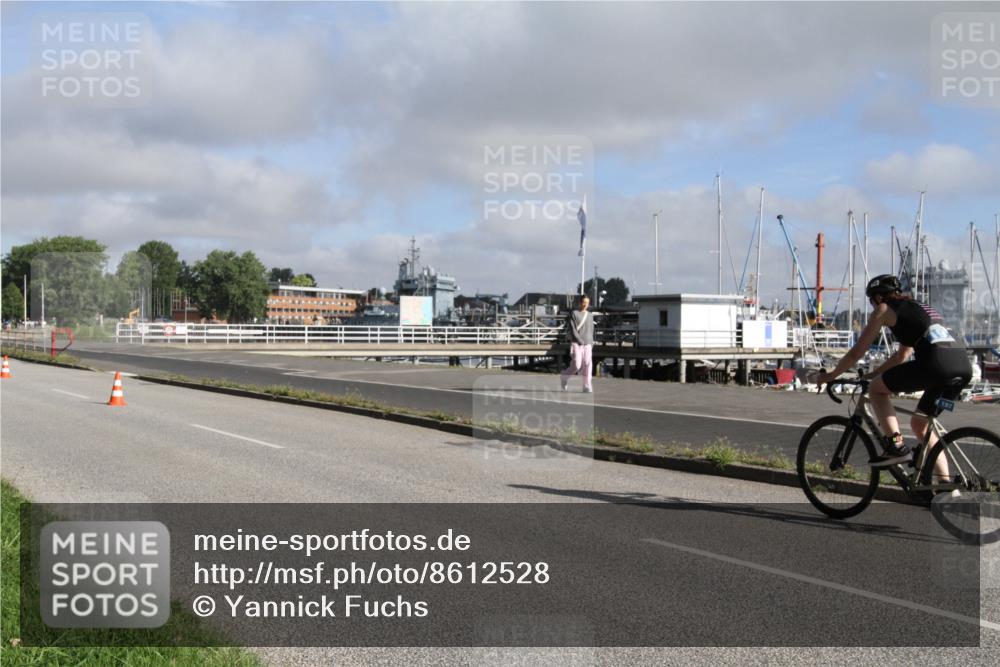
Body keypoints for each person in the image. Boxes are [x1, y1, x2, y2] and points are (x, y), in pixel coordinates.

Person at [815, 274, 972, 468]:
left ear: (879, 297)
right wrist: (873, 374)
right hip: (962, 368)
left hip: (937, 365)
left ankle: (896, 447)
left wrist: (830, 375)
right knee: (921, 425)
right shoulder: (916, 308)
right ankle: (946, 489)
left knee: (876, 390)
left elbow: (856, 353)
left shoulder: (884, 309)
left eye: (872, 301)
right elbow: (900, 356)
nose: (873, 306)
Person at [561, 295, 594, 393]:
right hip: (576, 343)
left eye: (587, 303)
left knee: (588, 364)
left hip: (588, 343)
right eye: (584, 302)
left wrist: (591, 342)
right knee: (577, 365)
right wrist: (580, 340)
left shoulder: (590, 315)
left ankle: (587, 386)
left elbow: (591, 330)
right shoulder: (574, 314)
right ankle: (564, 377)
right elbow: (573, 330)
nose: (585, 305)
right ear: (580, 302)